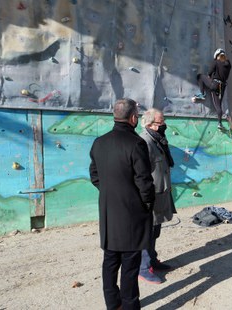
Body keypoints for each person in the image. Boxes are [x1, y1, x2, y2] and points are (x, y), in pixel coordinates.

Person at [89, 98, 155, 309]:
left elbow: (94, 175)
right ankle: (129, 306)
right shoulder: (136, 143)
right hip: (131, 213)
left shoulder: (99, 142)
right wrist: (146, 203)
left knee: (110, 260)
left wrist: (111, 191)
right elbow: (144, 181)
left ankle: (112, 304)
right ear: (133, 118)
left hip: (108, 212)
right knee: (129, 264)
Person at [138, 108, 177, 284]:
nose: (164, 125)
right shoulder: (145, 141)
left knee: (155, 231)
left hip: (161, 193)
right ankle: (144, 268)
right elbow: (140, 173)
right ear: (150, 124)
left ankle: (153, 260)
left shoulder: (158, 140)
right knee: (147, 232)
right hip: (150, 196)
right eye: (161, 122)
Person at [193, 48, 232, 129]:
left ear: (217, 56)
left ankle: (203, 94)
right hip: (222, 87)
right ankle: (219, 123)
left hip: (214, 84)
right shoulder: (229, 65)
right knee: (218, 106)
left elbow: (210, 72)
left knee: (200, 76)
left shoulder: (216, 62)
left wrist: (210, 77)